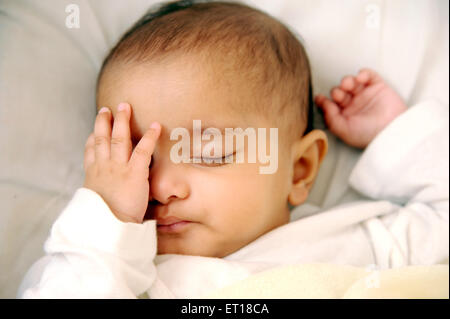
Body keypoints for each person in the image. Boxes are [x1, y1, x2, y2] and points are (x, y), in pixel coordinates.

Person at [18, 0, 448, 298]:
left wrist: (395, 132)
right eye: (137, 159)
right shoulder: (131, 278)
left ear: (298, 171)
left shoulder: (357, 244)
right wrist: (106, 219)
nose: (161, 187)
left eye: (209, 152)